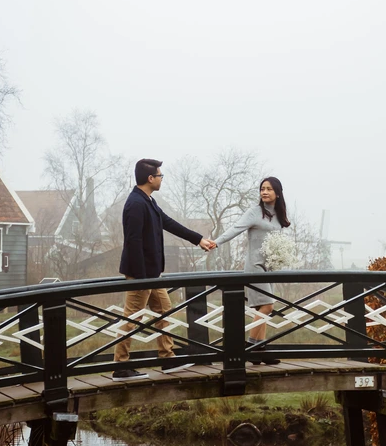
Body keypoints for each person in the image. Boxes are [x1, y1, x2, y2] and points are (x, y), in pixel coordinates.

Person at [113, 158, 214, 381]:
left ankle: (167, 359)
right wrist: (142, 279)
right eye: (160, 176)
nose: (161, 179)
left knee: (164, 311)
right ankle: (120, 366)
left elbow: (168, 223)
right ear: (150, 178)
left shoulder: (148, 201)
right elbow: (133, 241)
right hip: (142, 275)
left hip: (152, 274)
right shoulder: (136, 204)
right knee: (131, 318)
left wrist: (198, 240)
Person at [212, 177, 290, 364]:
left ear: (277, 193)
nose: (264, 192)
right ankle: (252, 348)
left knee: (264, 307)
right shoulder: (255, 212)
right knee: (267, 305)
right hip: (255, 266)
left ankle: (259, 350)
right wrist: (216, 242)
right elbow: (235, 228)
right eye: (262, 189)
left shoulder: (279, 216)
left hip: (270, 267)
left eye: (269, 189)